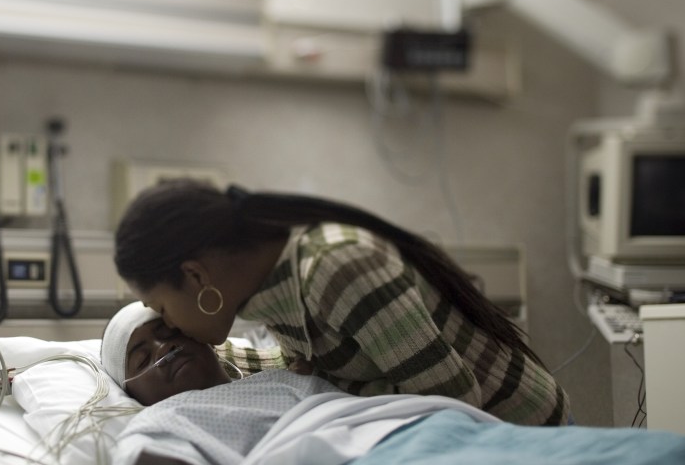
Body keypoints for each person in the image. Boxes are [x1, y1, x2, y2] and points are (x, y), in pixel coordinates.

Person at [113, 179, 572, 426]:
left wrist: (335, 387)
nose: (170, 326)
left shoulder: (336, 268)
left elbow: (453, 400)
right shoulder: (268, 288)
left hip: (525, 427)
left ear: (195, 275)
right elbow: (287, 365)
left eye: (163, 310)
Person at [89, 301, 344, 465]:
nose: (164, 348)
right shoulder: (163, 419)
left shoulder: (282, 379)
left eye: (171, 335)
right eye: (142, 359)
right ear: (132, 392)